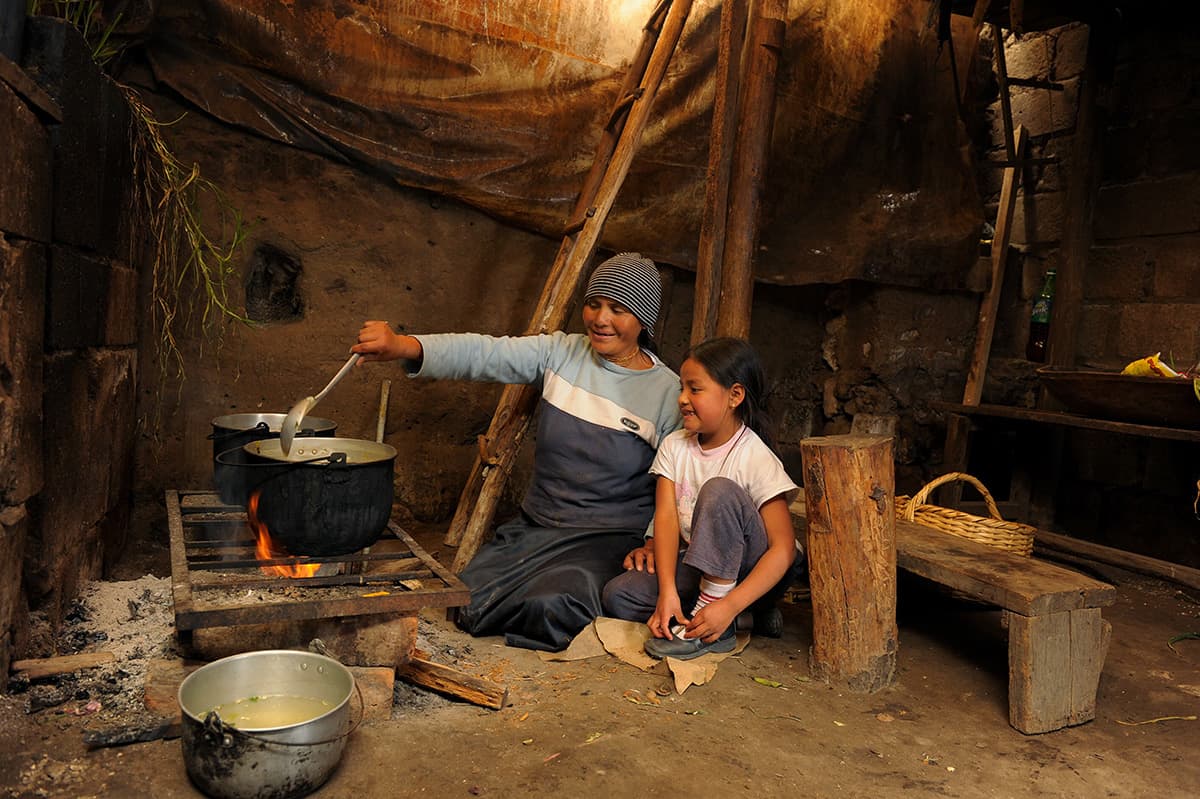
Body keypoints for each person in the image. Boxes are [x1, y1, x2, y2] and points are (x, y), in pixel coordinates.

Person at [351, 252, 681, 651]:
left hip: (606, 537)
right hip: (539, 525)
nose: (600, 319)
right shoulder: (561, 353)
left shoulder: (667, 394)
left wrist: (651, 541)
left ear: (643, 319)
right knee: (468, 602)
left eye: (618, 309)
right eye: (594, 304)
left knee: (550, 609)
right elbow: (485, 354)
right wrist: (404, 345)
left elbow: (680, 482)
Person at [602, 337, 800, 660]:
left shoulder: (755, 456)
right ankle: (741, 619)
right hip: (701, 565)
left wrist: (728, 604)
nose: (682, 399)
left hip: (753, 569)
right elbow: (665, 520)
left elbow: (784, 548)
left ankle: (718, 619)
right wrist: (667, 592)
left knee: (718, 491)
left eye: (695, 389)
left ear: (735, 395)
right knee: (618, 597)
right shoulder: (674, 447)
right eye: (682, 387)